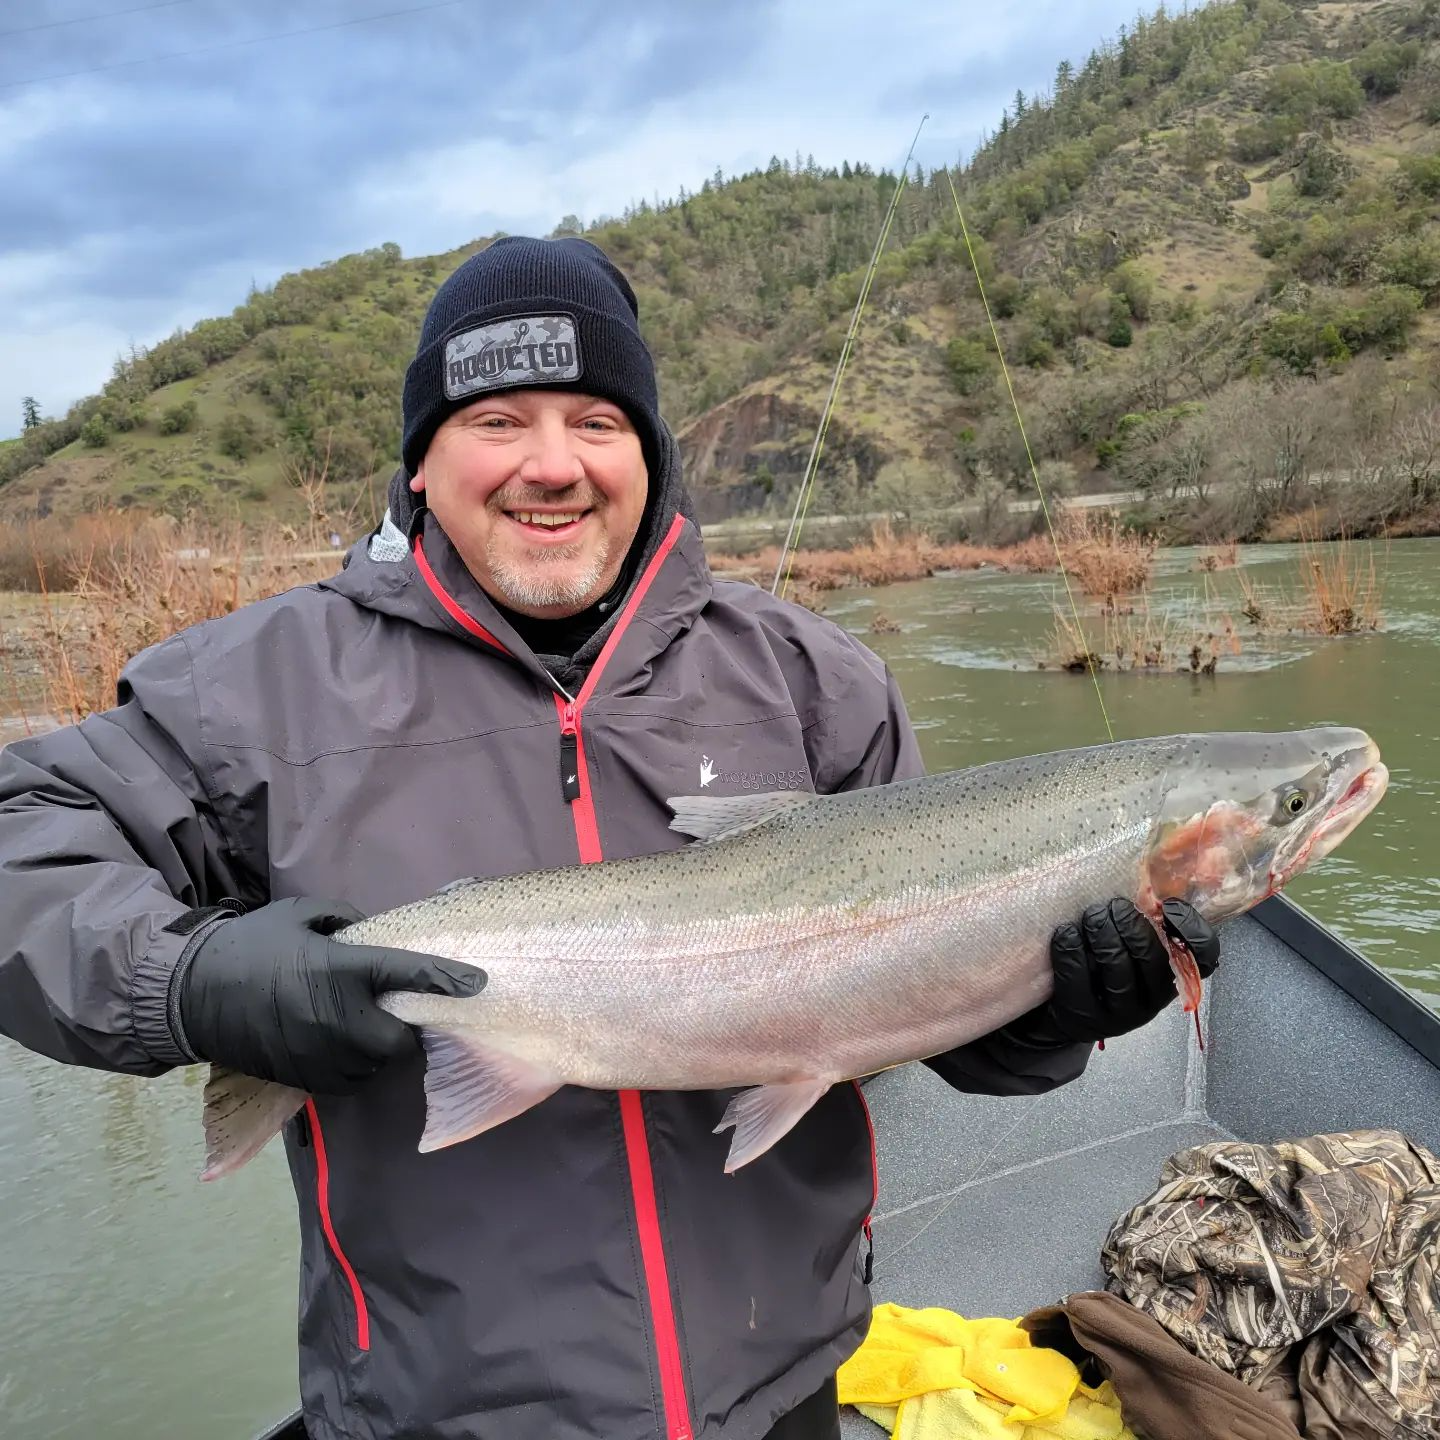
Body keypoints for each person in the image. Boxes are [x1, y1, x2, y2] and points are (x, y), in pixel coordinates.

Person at [0, 237, 1218, 1440]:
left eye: (596, 420)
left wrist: (1045, 1011)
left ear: (650, 457)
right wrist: (191, 982)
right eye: (496, 422)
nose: (552, 466)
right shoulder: (247, 689)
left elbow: (919, 1016)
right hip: (438, 1410)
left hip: (782, 1384)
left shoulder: (815, 679)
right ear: (420, 463)